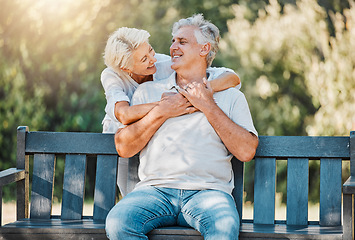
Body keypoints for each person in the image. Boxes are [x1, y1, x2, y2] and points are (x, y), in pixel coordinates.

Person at [105, 14, 258, 240]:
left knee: (224, 229)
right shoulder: (147, 93)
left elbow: (247, 151)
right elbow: (123, 147)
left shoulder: (231, 97)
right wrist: (162, 111)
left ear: (204, 49)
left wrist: (207, 104)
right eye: (173, 40)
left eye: (182, 42)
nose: (172, 47)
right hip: (154, 191)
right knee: (119, 224)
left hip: (209, 193)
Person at [101, 27, 242, 196]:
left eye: (150, 50)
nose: (153, 59)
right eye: (144, 59)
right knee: (130, 193)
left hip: (155, 131)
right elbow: (124, 114)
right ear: (126, 68)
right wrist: (166, 106)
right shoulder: (112, 76)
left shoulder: (162, 63)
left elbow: (232, 77)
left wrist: (202, 91)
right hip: (124, 136)